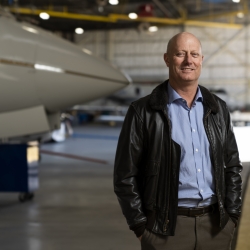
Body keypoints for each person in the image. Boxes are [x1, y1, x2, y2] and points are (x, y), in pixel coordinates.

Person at [113, 32, 242, 250]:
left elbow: (232, 166)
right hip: (165, 230)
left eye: (194, 54)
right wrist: (141, 228)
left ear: (201, 59)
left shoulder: (218, 108)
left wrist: (232, 216)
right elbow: (124, 175)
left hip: (216, 227)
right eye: (180, 54)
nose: (188, 61)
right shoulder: (142, 111)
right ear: (167, 59)